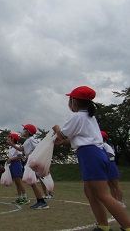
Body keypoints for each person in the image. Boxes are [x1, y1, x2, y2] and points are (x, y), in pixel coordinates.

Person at [53, 86, 130, 231]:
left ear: (74, 102)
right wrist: (64, 140)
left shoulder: (77, 117)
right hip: (94, 153)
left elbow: (61, 135)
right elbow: (80, 138)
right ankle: (102, 226)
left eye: (70, 99)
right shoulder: (89, 117)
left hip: (90, 155)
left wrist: (56, 128)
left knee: (103, 194)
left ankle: (127, 226)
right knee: (90, 192)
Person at [9, 124, 49, 209]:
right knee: (32, 183)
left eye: (24, 129)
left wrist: (41, 161)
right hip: (29, 161)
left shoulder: (31, 140)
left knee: (33, 182)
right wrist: (12, 144)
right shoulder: (27, 141)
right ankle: (40, 201)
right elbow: (21, 149)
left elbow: (38, 148)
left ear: (28, 131)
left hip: (32, 161)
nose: (23, 130)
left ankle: (42, 202)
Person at [101, 131, 125, 208]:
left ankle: (121, 202)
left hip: (111, 164)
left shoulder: (105, 145)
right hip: (105, 166)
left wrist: (101, 155)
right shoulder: (100, 146)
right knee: (110, 185)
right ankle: (114, 201)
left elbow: (111, 154)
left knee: (115, 184)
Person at [6, 133, 30, 204]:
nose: (7, 139)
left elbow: (19, 157)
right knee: (16, 182)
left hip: (16, 164)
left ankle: (25, 197)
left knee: (19, 182)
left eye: (9, 138)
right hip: (12, 165)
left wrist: (11, 159)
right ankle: (19, 197)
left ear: (13, 139)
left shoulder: (17, 146)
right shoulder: (10, 148)